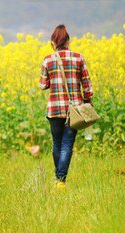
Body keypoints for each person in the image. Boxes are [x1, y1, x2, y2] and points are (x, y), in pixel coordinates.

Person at [39, 24, 93, 189]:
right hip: (74, 109)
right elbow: (87, 85)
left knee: (57, 143)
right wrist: (88, 100)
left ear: (53, 42)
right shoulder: (79, 58)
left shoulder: (48, 59)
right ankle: (60, 180)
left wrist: (53, 80)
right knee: (67, 144)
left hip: (54, 109)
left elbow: (42, 85)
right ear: (68, 41)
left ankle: (59, 180)